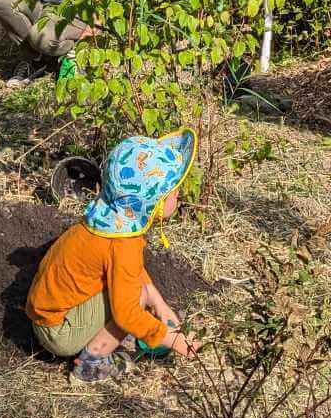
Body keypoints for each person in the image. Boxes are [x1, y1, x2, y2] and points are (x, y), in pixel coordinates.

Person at [26, 130, 200, 382]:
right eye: (174, 192)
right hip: (58, 331)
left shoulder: (109, 220)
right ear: (155, 203)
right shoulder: (123, 243)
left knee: (135, 292)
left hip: (48, 314)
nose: (179, 196)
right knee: (133, 300)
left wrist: (159, 304)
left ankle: (98, 338)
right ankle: (91, 364)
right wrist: (174, 340)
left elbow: (131, 269)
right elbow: (127, 313)